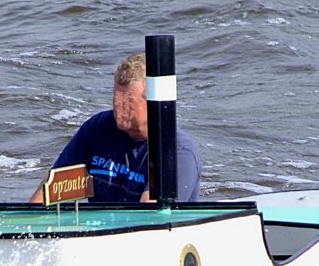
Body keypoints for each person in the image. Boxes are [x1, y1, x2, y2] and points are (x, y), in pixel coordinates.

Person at [30, 52, 201, 204]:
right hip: (99, 230)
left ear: (152, 104)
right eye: (115, 97)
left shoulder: (178, 151)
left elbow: (150, 219)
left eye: (127, 102)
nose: (117, 108)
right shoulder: (97, 128)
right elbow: (51, 190)